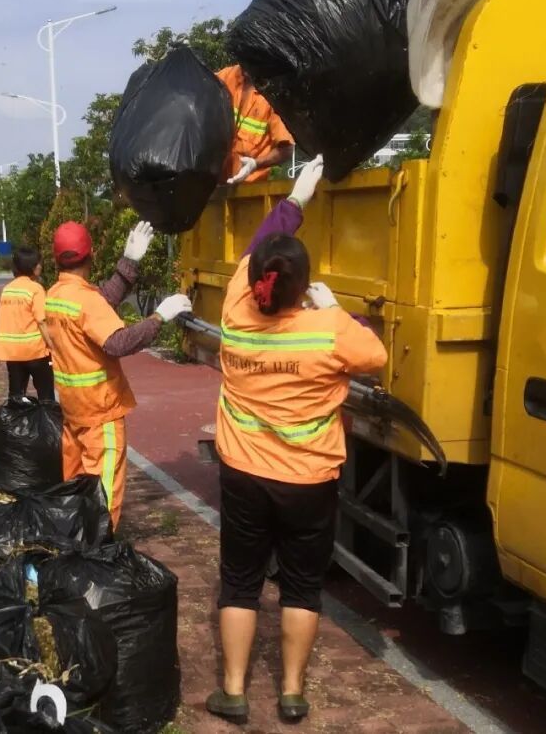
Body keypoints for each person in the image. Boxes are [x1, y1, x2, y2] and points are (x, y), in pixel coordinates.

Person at [205, 156, 388, 724]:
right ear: (303, 288)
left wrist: (293, 202)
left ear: (256, 282)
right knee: (302, 587)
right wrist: (335, 308)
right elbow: (375, 356)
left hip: (243, 474)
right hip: (309, 481)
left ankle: (233, 691)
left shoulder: (235, 309)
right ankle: (290, 692)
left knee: (239, 583)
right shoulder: (328, 330)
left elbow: (256, 248)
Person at [46, 220, 192, 528]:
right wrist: (159, 316)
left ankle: (75, 540)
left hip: (74, 412)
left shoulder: (56, 295)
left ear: (56, 258)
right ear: (92, 254)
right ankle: (99, 548)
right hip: (101, 413)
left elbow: (100, 304)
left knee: (77, 486)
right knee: (104, 494)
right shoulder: (84, 300)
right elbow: (118, 342)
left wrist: (129, 263)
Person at [0, 247, 55, 401]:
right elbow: (41, 321)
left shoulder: (7, 290)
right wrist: (52, 345)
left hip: (12, 353)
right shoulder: (36, 289)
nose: (40, 266)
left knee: (16, 397)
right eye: (38, 263)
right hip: (35, 351)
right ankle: (46, 417)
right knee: (46, 395)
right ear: (31, 266)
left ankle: (15, 416)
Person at [217, 64, 294, 185]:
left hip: (250, 189)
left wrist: (255, 164)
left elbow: (287, 150)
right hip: (213, 185)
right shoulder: (224, 77)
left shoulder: (273, 95)